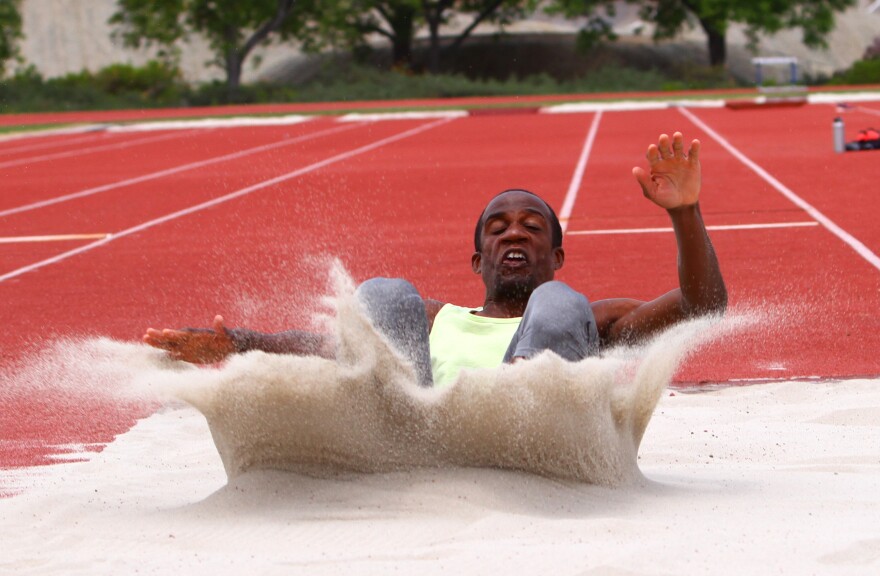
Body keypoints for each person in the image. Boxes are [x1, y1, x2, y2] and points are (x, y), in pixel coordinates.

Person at [144, 131, 727, 387]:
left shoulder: (588, 320)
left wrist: (685, 212)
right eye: (497, 229)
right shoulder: (432, 320)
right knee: (382, 293)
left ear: (557, 254)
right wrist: (240, 342)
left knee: (556, 303)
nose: (513, 233)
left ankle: (518, 391)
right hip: (427, 423)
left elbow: (704, 307)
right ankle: (410, 405)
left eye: (531, 226)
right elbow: (335, 346)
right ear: (479, 262)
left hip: (532, 426)